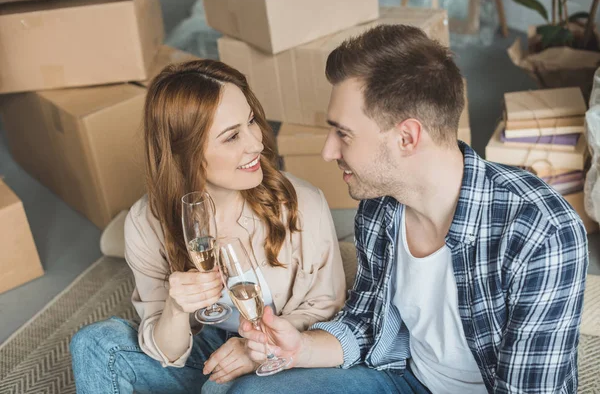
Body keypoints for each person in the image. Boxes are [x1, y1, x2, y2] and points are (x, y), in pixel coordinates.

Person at [234, 24, 589, 394]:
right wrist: (299, 348)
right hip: (408, 378)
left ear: (407, 137)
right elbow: (367, 325)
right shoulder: (379, 206)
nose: (328, 151)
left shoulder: (544, 231)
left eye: (343, 133)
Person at [69, 59, 346, 393]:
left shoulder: (303, 203)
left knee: (220, 391)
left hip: (279, 354)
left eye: (251, 121)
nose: (256, 143)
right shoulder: (146, 222)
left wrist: (254, 349)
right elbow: (165, 352)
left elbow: (326, 310)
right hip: (203, 349)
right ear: (185, 152)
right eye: (232, 137)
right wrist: (175, 308)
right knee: (92, 344)